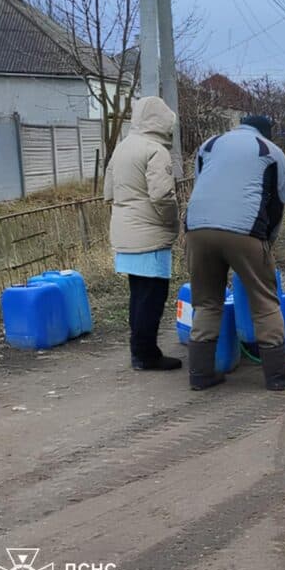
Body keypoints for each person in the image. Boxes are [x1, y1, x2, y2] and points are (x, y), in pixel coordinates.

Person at [184, 115, 285, 391]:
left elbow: (201, 183)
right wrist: (268, 243)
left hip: (197, 228)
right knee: (265, 300)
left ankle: (200, 374)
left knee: (206, 301)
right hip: (244, 230)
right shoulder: (270, 151)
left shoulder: (210, 144)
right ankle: (277, 376)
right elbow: (278, 203)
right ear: (267, 132)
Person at [104, 96, 181, 371]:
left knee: (138, 294)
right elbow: (162, 196)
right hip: (150, 234)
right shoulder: (155, 150)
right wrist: (173, 221)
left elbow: (108, 191)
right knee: (152, 296)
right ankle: (147, 354)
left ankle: (138, 349)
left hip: (125, 231)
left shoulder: (123, 147)